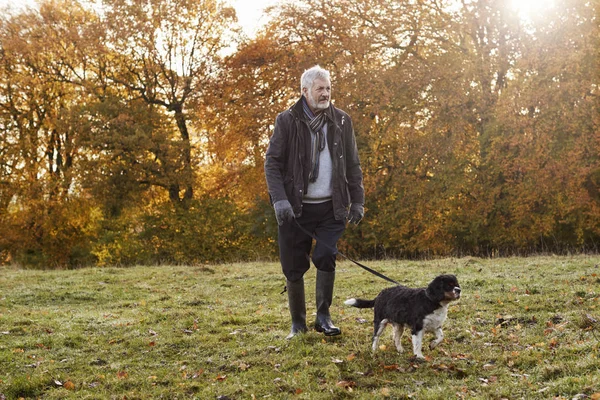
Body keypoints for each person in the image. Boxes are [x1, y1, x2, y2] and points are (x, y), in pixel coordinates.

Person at [264, 65, 365, 339]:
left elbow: (353, 164)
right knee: (293, 265)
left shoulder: (342, 121)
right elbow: (272, 163)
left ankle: (323, 317)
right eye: (320, 88)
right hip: (295, 209)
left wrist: (357, 201)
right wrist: (280, 200)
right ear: (305, 91)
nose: (326, 93)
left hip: (331, 207)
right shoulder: (286, 121)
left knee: (325, 255)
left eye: (328, 88)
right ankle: (297, 324)